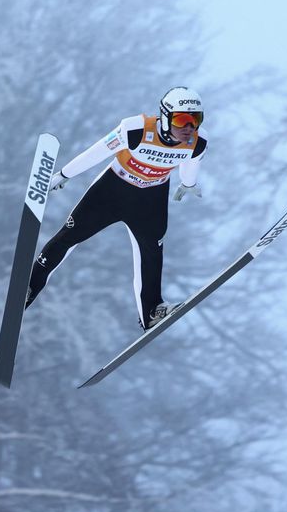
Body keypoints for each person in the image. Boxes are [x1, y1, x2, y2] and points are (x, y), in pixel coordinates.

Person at [25, 86, 208, 330]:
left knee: (151, 252)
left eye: (195, 120)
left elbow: (190, 162)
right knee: (69, 236)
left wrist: (188, 184)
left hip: (151, 199)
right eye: (182, 119)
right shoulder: (135, 129)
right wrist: (64, 174)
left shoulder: (198, 141)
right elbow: (98, 151)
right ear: (165, 117)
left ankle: (151, 311)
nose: (189, 128)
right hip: (112, 191)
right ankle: (28, 287)